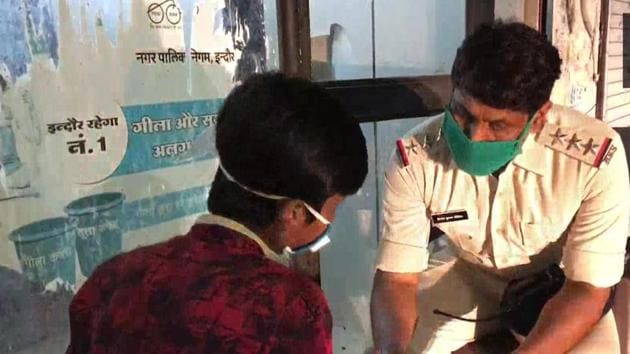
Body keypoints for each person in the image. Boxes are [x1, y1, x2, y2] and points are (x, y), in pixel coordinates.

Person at [371, 21, 629, 354]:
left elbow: (587, 288)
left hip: (556, 288)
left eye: (498, 125)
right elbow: (398, 276)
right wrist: (392, 350)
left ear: (538, 118)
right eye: (464, 114)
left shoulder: (595, 158)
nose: (474, 137)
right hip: (469, 275)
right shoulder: (416, 157)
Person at [66, 73, 368, 354]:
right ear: (296, 212)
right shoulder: (287, 307)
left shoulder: (113, 278)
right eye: (335, 207)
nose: (333, 220)